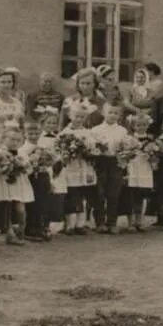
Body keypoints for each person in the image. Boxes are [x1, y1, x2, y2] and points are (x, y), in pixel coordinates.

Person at [0, 124, 33, 246]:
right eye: (11, 139)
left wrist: (22, 167)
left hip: (19, 183)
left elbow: (29, 169)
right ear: (4, 139)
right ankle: (10, 234)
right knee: (6, 208)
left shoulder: (22, 153)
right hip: (4, 182)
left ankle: (21, 230)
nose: (15, 142)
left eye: (18, 140)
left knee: (20, 209)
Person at [59, 101, 99, 236]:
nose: (79, 119)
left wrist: (90, 151)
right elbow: (60, 149)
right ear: (70, 116)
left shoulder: (88, 132)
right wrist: (70, 151)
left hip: (85, 167)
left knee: (83, 195)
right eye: (76, 116)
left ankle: (80, 224)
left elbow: (93, 147)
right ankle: (69, 225)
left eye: (82, 117)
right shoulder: (65, 133)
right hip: (71, 167)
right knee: (72, 195)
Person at [91, 103, 128, 234]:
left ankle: (112, 222)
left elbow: (126, 148)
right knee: (99, 193)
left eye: (116, 113)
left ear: (120, 115)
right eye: (110, 112)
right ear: (103, 112)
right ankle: (100, 222)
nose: (113, 115)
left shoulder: (122, 131)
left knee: (114, 193)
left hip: (115, 162)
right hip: (100, 162)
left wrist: (124, 153)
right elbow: (92, 148)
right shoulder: (95, 130)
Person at [19, 120, 52, 241]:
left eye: (36, 133)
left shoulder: (43, 147)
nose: (34, 136)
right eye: (30, 133)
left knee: (43, 203)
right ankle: (30, 229)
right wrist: (33, 162)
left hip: (43, 176)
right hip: (32, 178)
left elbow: (49, 163)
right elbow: (24, 166)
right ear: (24, 134)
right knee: (33, 203)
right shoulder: (23, 149)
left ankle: (41, 226)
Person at [37, 109, 66, 232]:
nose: (51, 125)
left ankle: (56, 221)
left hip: (58, 168)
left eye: (54, 123)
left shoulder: (59, 137)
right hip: (46, 168)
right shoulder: (39, 138)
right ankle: (43, 222)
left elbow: (62, 152)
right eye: (48, 123)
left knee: (58, 194)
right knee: (45, 194)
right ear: (42, 124)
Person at [125, 113, 156, 232]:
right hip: (133, 167)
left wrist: (152, 154)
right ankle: (131, 222)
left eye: (144, 125)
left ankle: (139, 220)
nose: (141, 127)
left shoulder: (151, 139)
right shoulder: (129, 138)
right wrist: (131, 152)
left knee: (141, 195)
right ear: (133, 126)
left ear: (147, 125)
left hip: (145, 168)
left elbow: (155, 155)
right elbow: (125, 154)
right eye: (138, 125)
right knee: (131, 195)